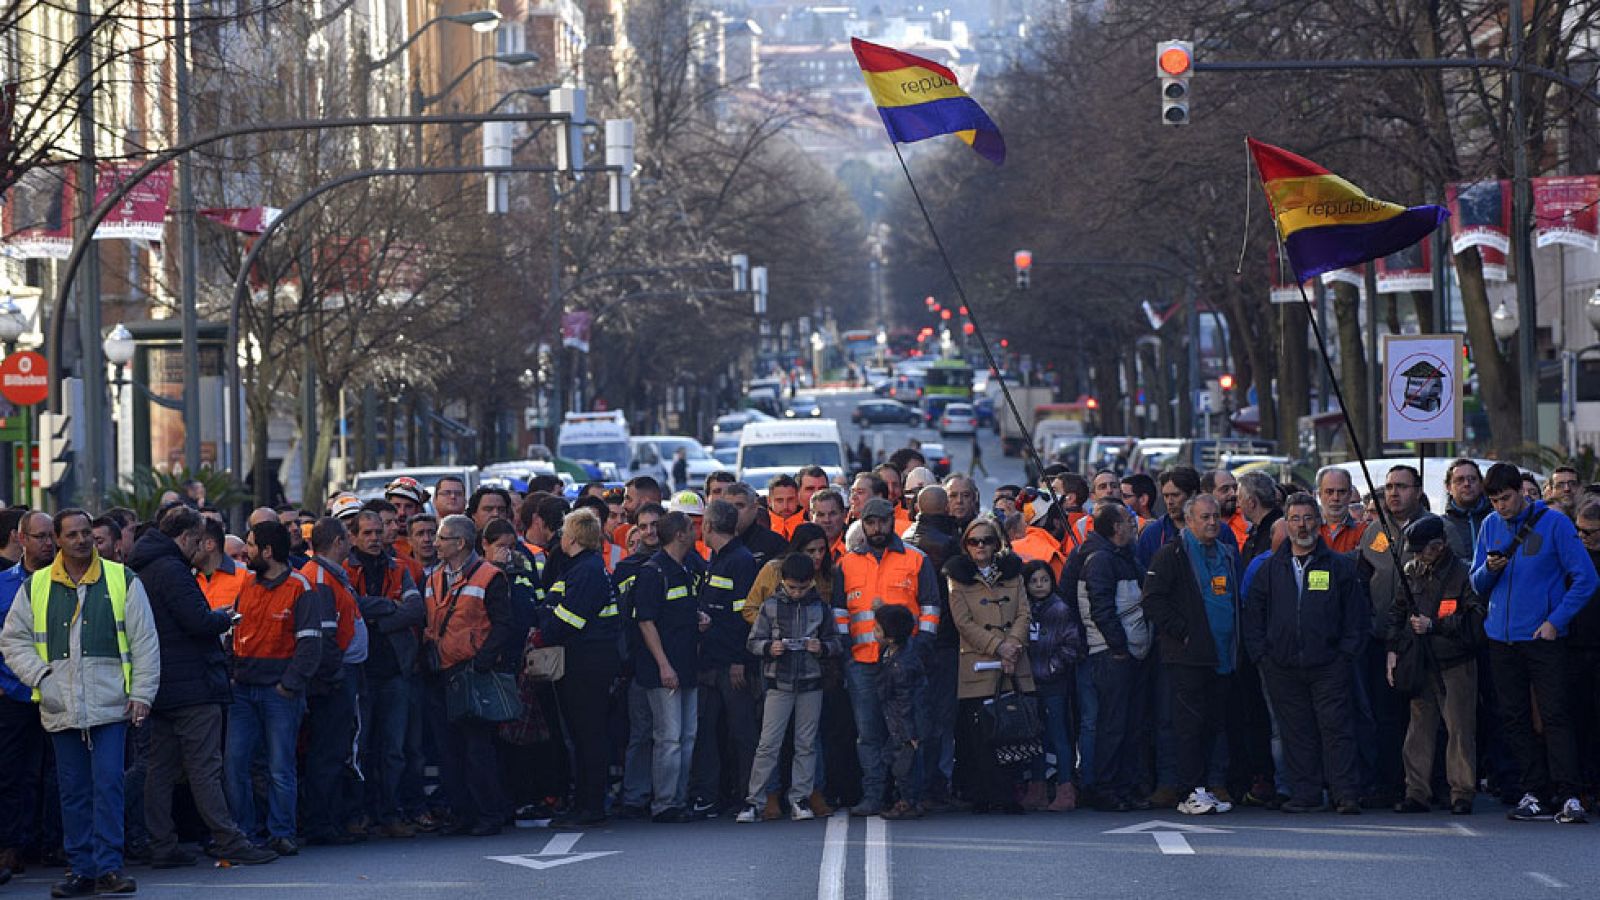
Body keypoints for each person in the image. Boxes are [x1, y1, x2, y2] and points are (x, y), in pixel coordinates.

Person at [0, 509, 160, 897]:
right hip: (61, 704)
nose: (81, 540)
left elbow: (145, 640)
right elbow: (12, 640)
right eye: (72, 534)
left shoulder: (122, 579)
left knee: (107, 785)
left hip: (111, 703)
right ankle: (82, 869)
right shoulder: (36, 585)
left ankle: (108, 867)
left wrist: (142, 693)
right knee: (72, 790)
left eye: (87, 532)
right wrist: (41, 678)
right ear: (57, 539)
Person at [128, 506, 276, 867]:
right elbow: (196, 621)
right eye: (197, 541)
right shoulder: (172, 570)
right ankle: (229, 839)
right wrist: (222, 618)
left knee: (160, 770)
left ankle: (162, 843)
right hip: (192, 685)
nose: (200, 549)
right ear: (184, 537)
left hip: (159, 682)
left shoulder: (143, 566)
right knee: (204, 768)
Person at [1470, 463, 1598, 824]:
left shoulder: (1555, 524)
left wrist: (1556, 621)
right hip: (1501, 637)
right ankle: (1534, 791)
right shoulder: (1489, 526)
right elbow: (1476, 584)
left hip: (1542, 637)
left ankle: (1569, 793)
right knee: (1513, 717)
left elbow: (1585, 579)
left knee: (1556, 714)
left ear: (1523, 493)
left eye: (1506, 498)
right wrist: (1490, 570)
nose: (1500, 507)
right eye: (1493, 500)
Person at [1243, 493, 1366, 814]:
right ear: (1287, 522)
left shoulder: (1339, 566)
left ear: (1319, 521)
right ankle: (1306, 793)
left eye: (1308, 518)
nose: (1302, 526)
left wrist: (1344, 656)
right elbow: (1253, 615)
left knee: (1337, 730)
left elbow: (1355, 616)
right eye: (1295, 519)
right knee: (1296, 734)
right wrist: (1262, 657)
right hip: (1282, 667)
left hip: (1329, 665)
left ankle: (1344, 794)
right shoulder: (1270, 569)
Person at [832, 497, 941, 816]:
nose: (876, 528)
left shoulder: (916, 559)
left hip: (903, 663)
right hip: (862, 663)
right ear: (862, 524)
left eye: (881, 521)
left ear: (892, 521)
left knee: (906, 734)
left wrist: (918, 649)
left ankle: (908, 796)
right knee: (868, 734)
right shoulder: (847, 564)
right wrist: (844, 650)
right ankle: (874, 796)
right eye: (870, 522)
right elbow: (839, 613)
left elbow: (931, 609)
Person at [1141, 494, 1242, 816]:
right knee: (1188, 726)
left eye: (1216, 517)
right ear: (1190, 520)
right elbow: (1153, 600)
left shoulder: (1226, 553)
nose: (1212, 523)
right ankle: (1190, 791)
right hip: (1187, 657)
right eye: (1205, 517)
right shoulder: (1171, 554)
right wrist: (1183, 631)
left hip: (1222, 655)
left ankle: (1206, 787)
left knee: (1213, 724)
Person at [421, 515, 516, 836]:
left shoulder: (490, 577)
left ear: (460, 543)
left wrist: (484, 662)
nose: (434, 544)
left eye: (441, 538)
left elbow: (503, 624)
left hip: (473, 672)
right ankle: (461, 814)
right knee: (450, 750)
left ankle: (489, 813)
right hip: (441, 674)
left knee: (478, 749)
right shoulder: (434, 577)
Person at [1386, 516, 1485, 815]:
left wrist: (1436, 625)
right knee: (1418, 731)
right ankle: (1416, 792)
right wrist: (1392, 648)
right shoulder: (1411, 571)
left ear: (1439, 546)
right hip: (1421, 663)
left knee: (1459, 730)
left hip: (1456, 663)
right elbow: (1397, 611)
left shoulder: (1464, 574)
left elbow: (1476, 619)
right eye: (1413, 551)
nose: (1416, 556)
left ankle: (1462, 792)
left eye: (1422, 551)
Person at [736, 553, 842, 823]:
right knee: (768, 744)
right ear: (782, 582)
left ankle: (800, 797)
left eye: (802, 588)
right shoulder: (770, 606)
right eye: (791, 587)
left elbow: (836, 642)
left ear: (811, 584)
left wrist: (822, 647)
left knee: (805, 744)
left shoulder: (821, 608)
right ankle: (754, 800)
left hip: (810, 682)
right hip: (778, 682)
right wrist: (770, 647)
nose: (796, 593)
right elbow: (753, 641)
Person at [538, 509, 624, 830]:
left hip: (587, 664)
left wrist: (544, 625)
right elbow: (552, 603)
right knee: (583, 735)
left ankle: (591, 806)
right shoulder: (579, 567)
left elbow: (568, 620)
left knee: (589, 737)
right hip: (584, 662)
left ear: (571, 538)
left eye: (563, 532)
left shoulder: (586, 570)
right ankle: (583, 803)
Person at [345, 510, 425, 838]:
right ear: (353, 537)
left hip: (394, 671)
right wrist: (387, 607)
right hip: (360, 672)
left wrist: (378, 619)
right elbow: (349, 607)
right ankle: (359, 813)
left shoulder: (398, 567)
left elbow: (415, 609)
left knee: (394, 749)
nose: (375, 538)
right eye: (367, 533)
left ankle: (391, 813)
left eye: (378, 532)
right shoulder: (346, 569)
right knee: (359, 748)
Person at [946, 515, 1033, 813]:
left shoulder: (1014, 574)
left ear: (997, 544)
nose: (980, 546)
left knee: (1011, 731)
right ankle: (982, 793)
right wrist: (998, 647)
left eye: (986, 540)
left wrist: (1013, 647)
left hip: (1013, 664)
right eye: (974, 541)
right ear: (966, 545)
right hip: (979, 665)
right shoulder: (956, 577)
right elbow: (963, 622)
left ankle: (1008, 795)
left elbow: (1024, 613)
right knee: (980, 735)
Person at [688, 499, 761, 818]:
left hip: (731, 664)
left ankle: (748, 795)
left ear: (707, 526)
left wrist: (738, 661)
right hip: (711, 662)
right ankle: (711, 795)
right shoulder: (718, 558)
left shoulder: (740, 561)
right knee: (708, 732)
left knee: (741, 732)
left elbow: (744, 616)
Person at [632, 511, 706, 823]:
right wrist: (664, 666)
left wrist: (698, 620)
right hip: (666, 671)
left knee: (687, 736)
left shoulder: (685, 568)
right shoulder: (652, 572)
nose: (695, 531)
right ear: (679, 535)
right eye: (690, 528)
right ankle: (664, 804)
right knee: (670, 737)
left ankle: (677, 799)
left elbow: (677, 613)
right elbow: (646, 622)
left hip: (687, 665)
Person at [1076, 503, 1149, 812]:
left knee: (1130, 725)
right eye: (1129, 521)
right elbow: (1101, 608)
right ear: (1117, 527)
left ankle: (1124, 786)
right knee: (1113, 724)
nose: (1134, 526)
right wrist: (1119, 647)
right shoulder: (1103, 561)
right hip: (1112, 655)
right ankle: (1107, 787)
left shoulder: (1123, 557)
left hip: (1127, 652)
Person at [0, 511, 55, 883]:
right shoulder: (4, 584)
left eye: (52, 536)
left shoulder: (66, 582)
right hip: (14, 693)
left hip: (57, 692)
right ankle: (11, 847)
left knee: (59, 775)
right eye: (40, 537)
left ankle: (53, 844)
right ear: (21, 539)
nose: (48, 543)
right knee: (11, 775)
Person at [1021, 559, 1081, 812]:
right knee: (1035, 736)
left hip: (1053, 682)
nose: (1039, 585)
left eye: (1044, 580)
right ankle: (1037, 788)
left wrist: (1053, 667)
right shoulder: (1025, 609)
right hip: (1029, 681)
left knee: (1058, 736)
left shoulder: (1059, 608)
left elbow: (1071, 644)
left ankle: (1065, 788)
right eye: (1034, 581)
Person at [875, 603, 927, 819]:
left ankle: (909, 801)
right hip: (895, 721)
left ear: (891, 637)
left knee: (905, 766)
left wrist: (911, 734)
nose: (873, 633)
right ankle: (901, 797)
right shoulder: (890, 653)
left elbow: (908, 702)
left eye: (877, 629)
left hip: (904, 725)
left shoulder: (902, 665)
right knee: (893, 759)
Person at [1441, 459, 1490, 561]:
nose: (1467, 484)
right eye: (1460, 480)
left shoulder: (1497, 519)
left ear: (1481, 485)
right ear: (1448, 487)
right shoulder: (1441, 526)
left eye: (1472, 479)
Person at [1316, 467, 1364, 554]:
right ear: (1319, 495)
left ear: (1350, 494)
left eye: (1341, 492)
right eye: (1329, 492)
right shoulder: (1308, 529)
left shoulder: (1364, 531)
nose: (1335, 498)